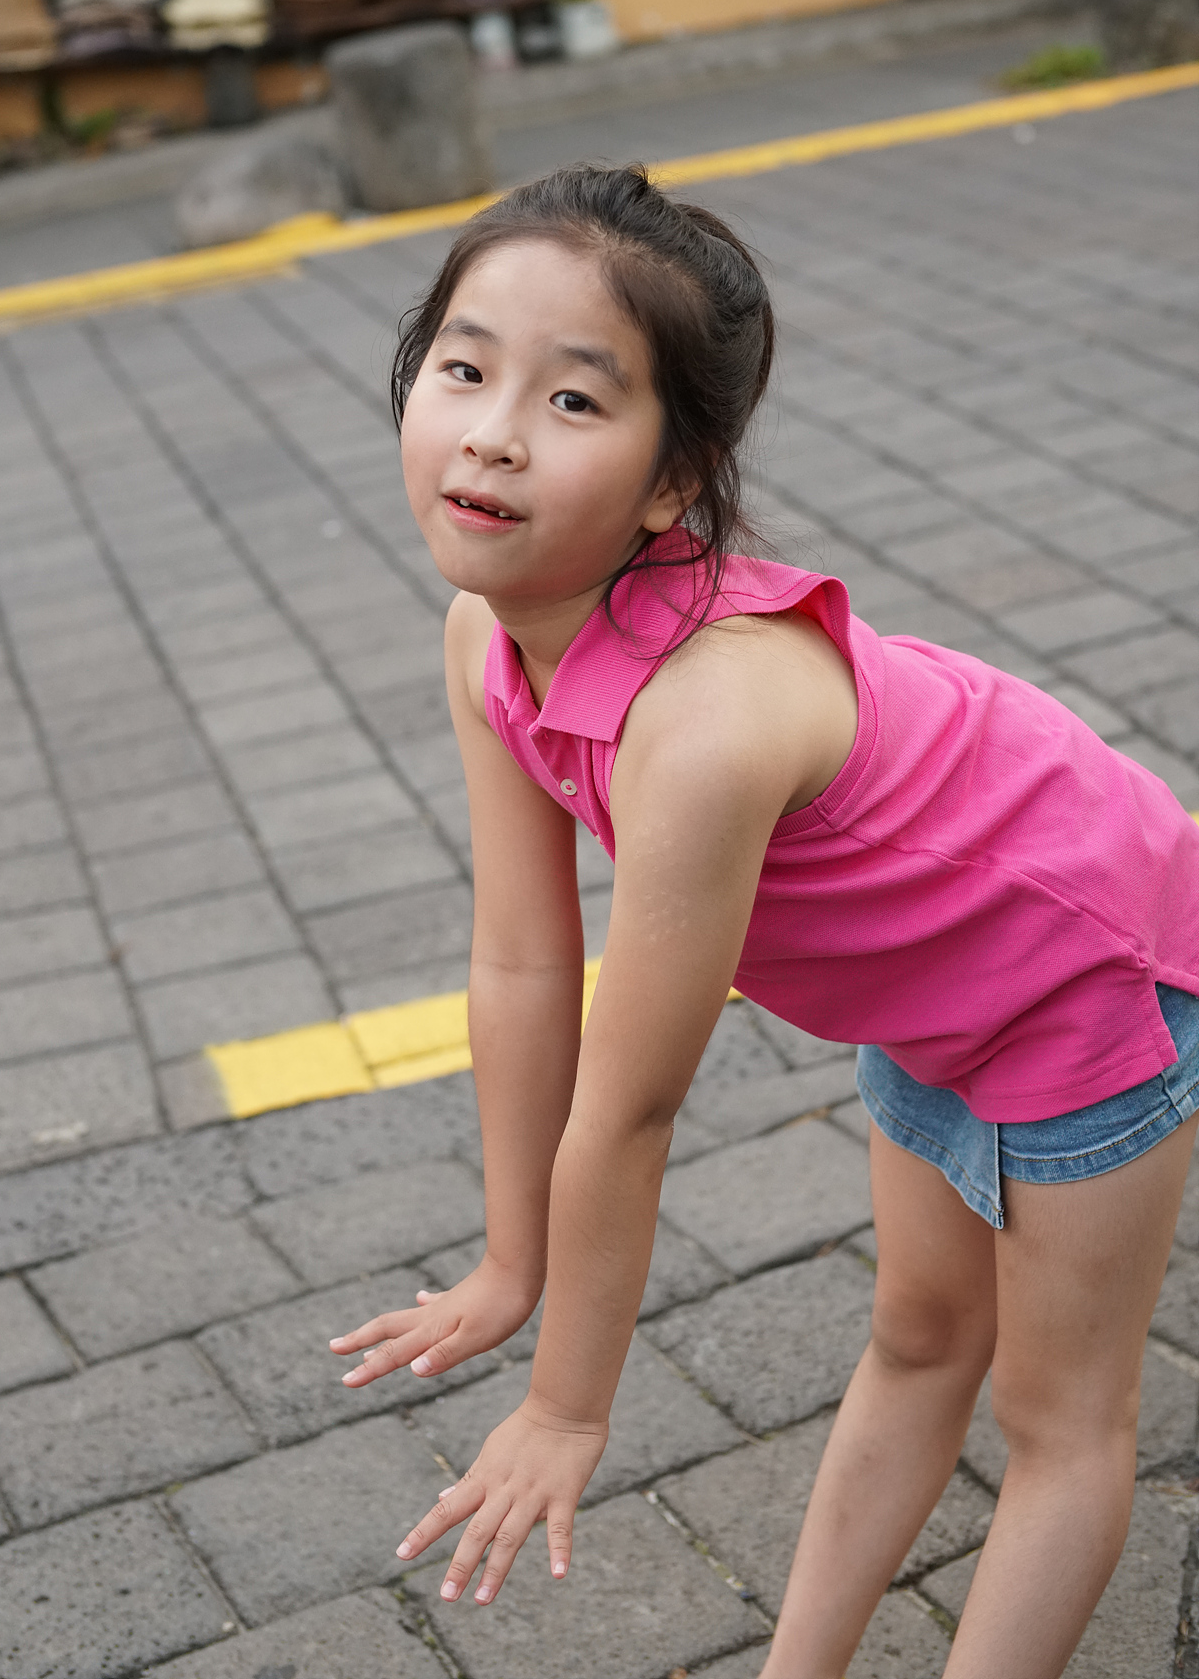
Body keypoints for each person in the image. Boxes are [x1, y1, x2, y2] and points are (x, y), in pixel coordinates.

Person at [328, 164, 1199, 1676]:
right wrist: (513, 1263)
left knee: (1055, 1420)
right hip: (926, 994)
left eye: (574, 401)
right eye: (463, 370)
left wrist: (568, 1406)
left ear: (675, 481)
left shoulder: (706, 725)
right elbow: (523, 962)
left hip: (1086, 966)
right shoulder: (484, 636)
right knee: (920, 1337)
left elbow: (633, 1107)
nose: (491, 433)